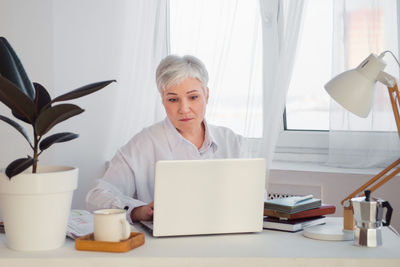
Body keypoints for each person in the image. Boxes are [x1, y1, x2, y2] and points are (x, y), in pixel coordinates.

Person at [86, 55, 247, 223]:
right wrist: (137, 211)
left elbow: (255, 197)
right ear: (163, 100)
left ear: (206, 95)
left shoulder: (234, 143)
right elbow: (95, 196)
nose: (184, 109)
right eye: (173, 99)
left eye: (193, 97)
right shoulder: (142, 145)